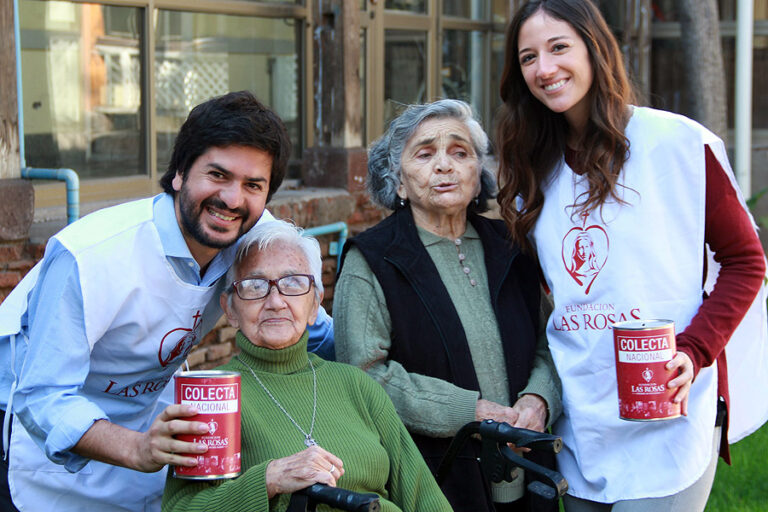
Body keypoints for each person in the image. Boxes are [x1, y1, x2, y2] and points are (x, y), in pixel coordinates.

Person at [0, 91, 333, 512]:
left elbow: (310, 321)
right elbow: (43, 396)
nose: (232, 200)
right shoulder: (90, 255)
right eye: (217, 174)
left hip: (146, 409)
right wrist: (138, 449)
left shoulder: (253, 234)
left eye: (253, 185)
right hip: (33, 427)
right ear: (179, 172)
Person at [496, 1, 768, 510]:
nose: (544, 68)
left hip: (668, 405)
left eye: (559, 48)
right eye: (528, 57)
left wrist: (695, 349)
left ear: (596, 50)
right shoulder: (532, 172)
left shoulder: (677, 145)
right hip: (584, 415)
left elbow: (747, 261)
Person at [333, 99, 562, 511]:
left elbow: (554, 341)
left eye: (460, 152)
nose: (444, 165)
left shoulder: (511, 245)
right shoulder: (372, 259)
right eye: (424, 153)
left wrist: (539, 399)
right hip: (438, 477)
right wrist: (469, 412)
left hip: (530, 473)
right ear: (399, 181)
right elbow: (364, 374)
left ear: (478, 175)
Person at [162, 220, 452, 512]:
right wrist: (268, 480)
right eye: (254, 285)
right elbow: (182, 507)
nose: (275, 301)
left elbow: (425, 498)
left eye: (293, 283)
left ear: (315, 305)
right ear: (230, 309)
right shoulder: (213, 396)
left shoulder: (356, 385)